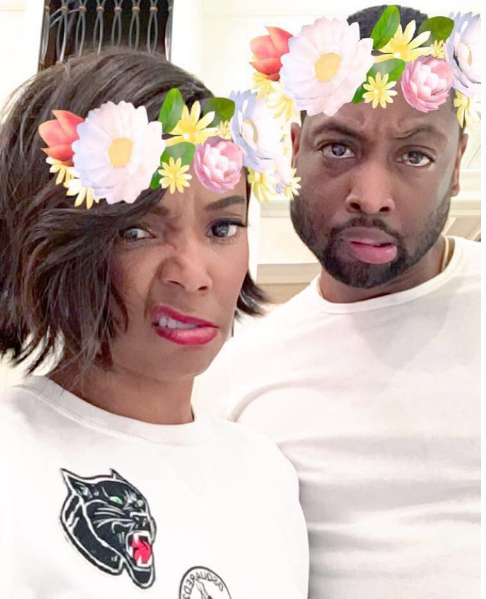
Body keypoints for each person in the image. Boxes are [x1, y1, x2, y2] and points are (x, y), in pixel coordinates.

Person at [0, 48, 309, 598]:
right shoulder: (12, 463)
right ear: (54, 244)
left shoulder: (269, 478)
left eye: (222, 228)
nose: (193, 275)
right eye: (137, 232)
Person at [196, 5, 481, 598]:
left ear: (456, 167)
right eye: (338, 148)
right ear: (295, 150)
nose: (370, 197)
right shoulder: (232, 374)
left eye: (415, 155)